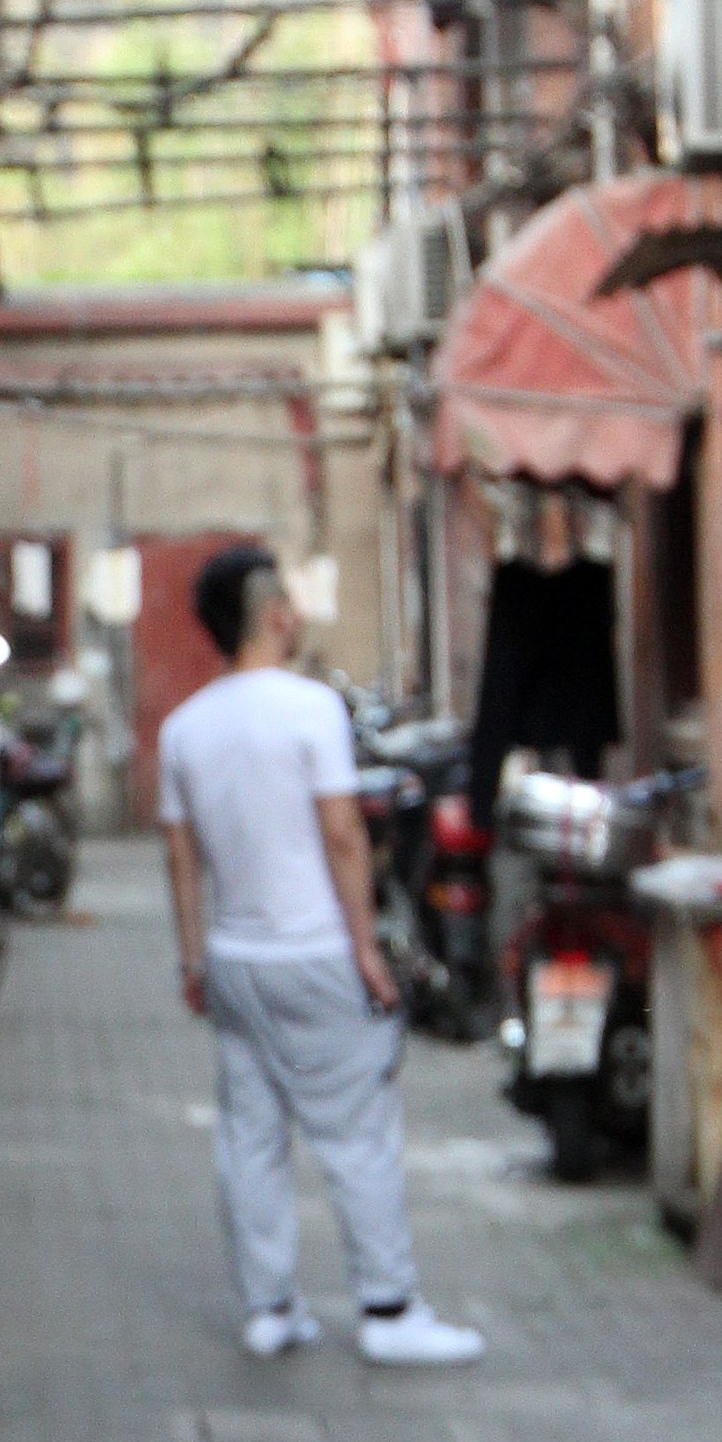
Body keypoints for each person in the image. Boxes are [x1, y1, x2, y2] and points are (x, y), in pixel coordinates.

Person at [159, 546, 484, 1369]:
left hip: (234, 959)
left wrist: (193, 960)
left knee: (251, 1139)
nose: (298, 616)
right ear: (273, 614)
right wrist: (368, 951)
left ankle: (268, 1307)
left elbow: (179, 855)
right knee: (358, 1136)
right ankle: (389, 1306)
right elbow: (342, 834)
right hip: (312, 953)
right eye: (291, 604)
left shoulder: (184, 727)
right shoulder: (311, 711)